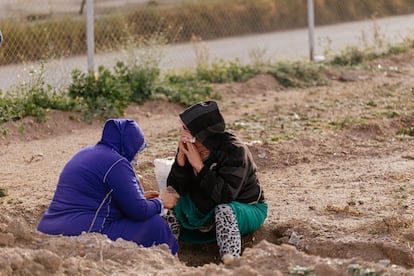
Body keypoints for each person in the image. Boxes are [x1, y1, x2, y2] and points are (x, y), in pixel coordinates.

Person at [37, 118, 179, 255]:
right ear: (130, 146)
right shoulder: (117, 163)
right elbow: (138, 211)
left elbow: (98, 198)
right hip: (83, 233)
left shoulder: (87, 153)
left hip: (49, 228)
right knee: (155, 224)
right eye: (137, 151)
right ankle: (172, 265)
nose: (136, 157)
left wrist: (139, 198)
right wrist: (161, 202)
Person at [166, 100, 267, 259]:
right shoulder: (189, 148)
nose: (182, 134)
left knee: (224, 211)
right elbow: (175, 188)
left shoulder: (234, 150)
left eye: (186, 129)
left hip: (243, 208)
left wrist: (199, 166)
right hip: (203, 210)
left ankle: (231, 262)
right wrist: (180, 160)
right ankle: (167, 258)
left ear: (201, 134)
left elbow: (225, 196)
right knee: (167, 207)